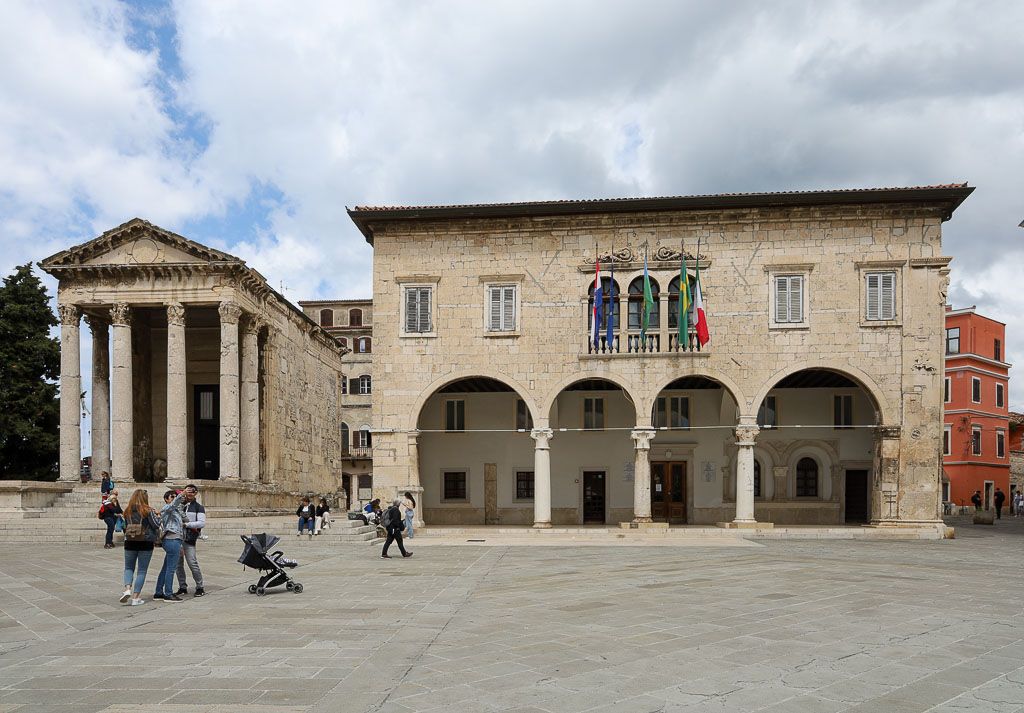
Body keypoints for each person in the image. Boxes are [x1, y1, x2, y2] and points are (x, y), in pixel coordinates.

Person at [120, 489, 161, 606]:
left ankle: (127, 589)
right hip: (145, 542)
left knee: (128, 568)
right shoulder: (148, 511)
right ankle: (135, 597)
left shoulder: (127, 511)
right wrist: (158, 516)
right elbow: (156, 525)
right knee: (142, 571)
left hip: (130, 541)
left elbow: (124, 526)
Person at [153, 489, 186, 602]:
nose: (174, 498)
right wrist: (180, 495)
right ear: (166, 499)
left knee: (166, 568)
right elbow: (172, 505)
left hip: (175, 540)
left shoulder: (176, 511)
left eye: (175, 496)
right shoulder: (166, 508)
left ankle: (158, 592)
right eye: (172, 496)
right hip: (172, 540)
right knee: (171, 569)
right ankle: (168, 593)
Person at [175, 484, 206, 597]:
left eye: (192, 491)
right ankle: (182, 586)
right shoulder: (178, 504)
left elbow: (202, 523)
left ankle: (200, 586)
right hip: (177, 537)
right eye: (187, 491)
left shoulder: (198, 507)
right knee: (178, 564)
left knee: (192, 562)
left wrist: (187, 524)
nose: (189, 493)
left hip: (189, 538)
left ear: (196, 493)